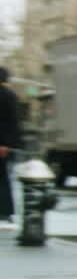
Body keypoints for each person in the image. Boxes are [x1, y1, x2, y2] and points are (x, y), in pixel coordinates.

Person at [0, 66, 22, 227]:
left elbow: (12, 122)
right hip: (4, 144)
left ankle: (5, 212)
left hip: (2, 145)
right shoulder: (9, 95)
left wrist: (6, 144)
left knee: (2, 178)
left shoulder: (7, 95)